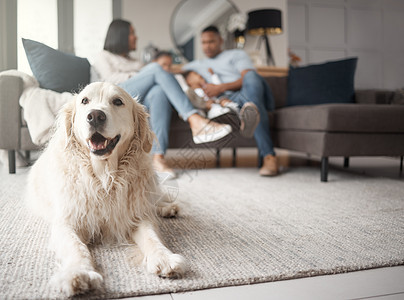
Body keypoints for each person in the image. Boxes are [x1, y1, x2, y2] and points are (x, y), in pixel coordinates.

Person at [92, 20, 232, 178]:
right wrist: (144, 75)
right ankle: (195, 119)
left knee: (158, 92)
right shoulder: (104, 57)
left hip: (134, 102)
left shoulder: (134, 61)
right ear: (121, 35)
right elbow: (109, 82)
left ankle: (158, 157)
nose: (135, 37)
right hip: (114, 100)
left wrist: (148, 75)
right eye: (132, 33)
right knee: (156, 69)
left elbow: (150, 79)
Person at [183, 25, 278, 176]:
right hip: (227, 100)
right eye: (203, 42)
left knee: (252, 78)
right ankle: (268, 156)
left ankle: (249, 112)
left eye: (211, 41)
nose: (207, 46)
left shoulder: (236, 55)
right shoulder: (196, 65)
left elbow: (247, 76)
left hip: (246, 92)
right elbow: (171, 72)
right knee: (253, 107)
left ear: (220, 40)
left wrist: (220, 87)